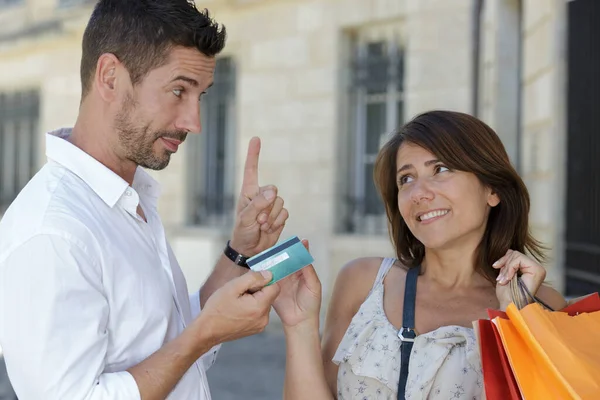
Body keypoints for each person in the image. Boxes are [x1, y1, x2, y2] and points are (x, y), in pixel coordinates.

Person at [0, 1, 289, 399]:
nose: (194, 122)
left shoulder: (128, 200)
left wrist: (239, 252)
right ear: (110, 77)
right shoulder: (53, 232)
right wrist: (203, 334)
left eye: (200, 96)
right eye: (178, 91)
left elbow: (166, 341)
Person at [273, 110, 569, 399]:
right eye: (406, 179)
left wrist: (516, 320)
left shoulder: (539, 304)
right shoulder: (364, 282)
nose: (418, 193)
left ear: (492, 189)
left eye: (440, 169)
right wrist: (298, 325)